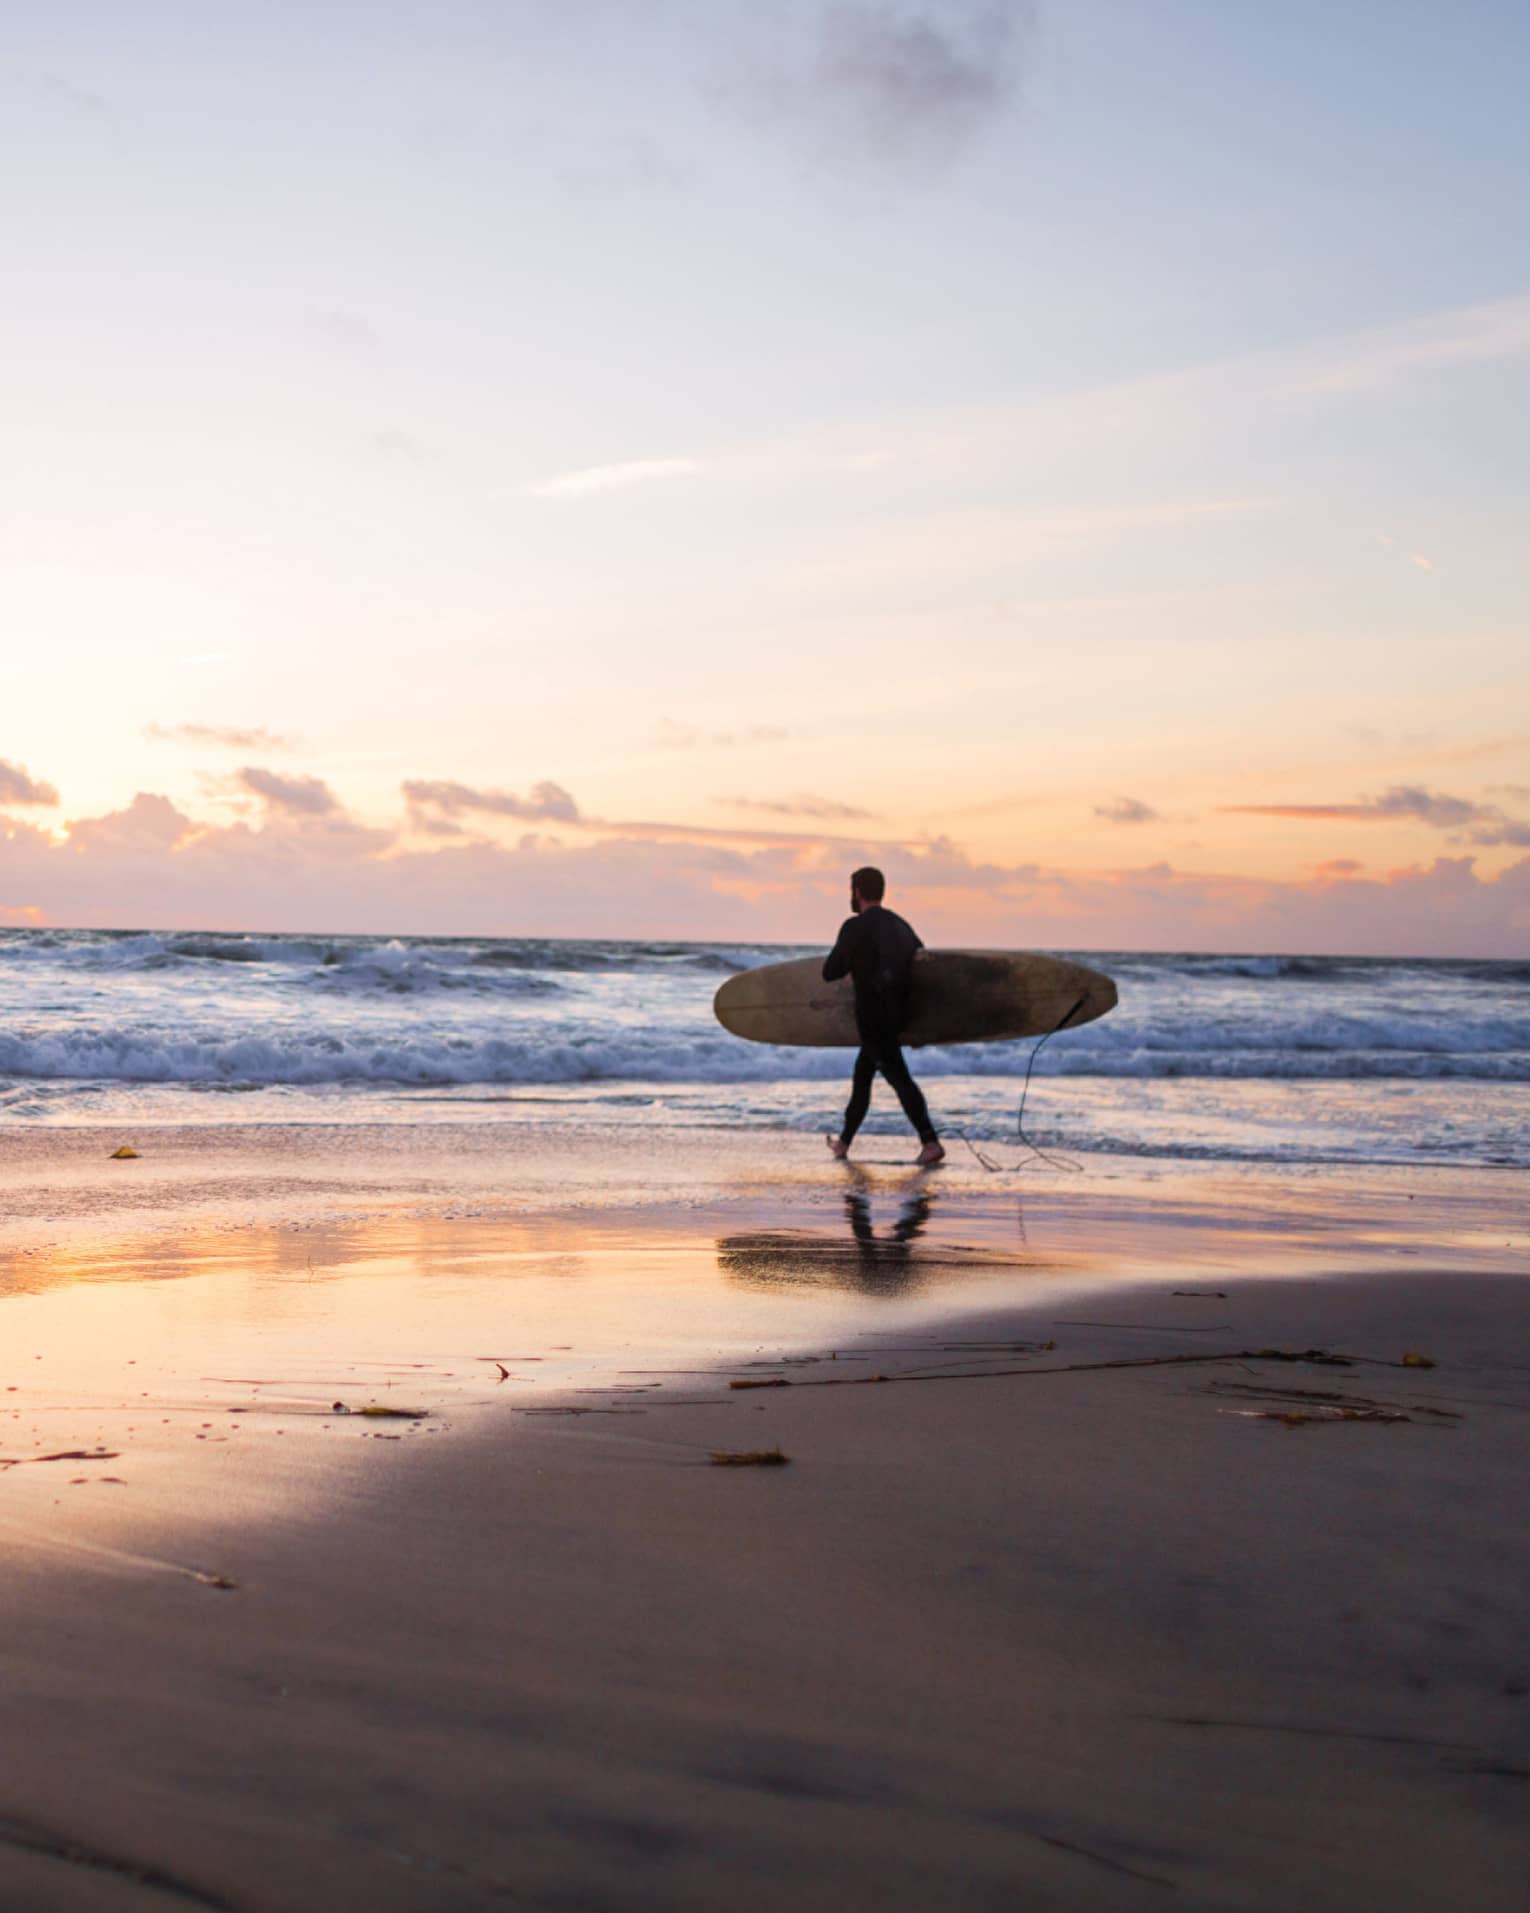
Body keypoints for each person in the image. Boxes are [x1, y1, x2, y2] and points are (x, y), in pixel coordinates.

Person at [822, 867, 945, 1166]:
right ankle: (843, 1143)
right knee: (862, 1078)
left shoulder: (854, 927)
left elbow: (830, 971)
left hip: (872, 1018)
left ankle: (930, 1142)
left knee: (900, 1080)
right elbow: (920, 968)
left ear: (857, 892)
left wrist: (853, 965)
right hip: (899, 1018)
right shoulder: (902, 926)